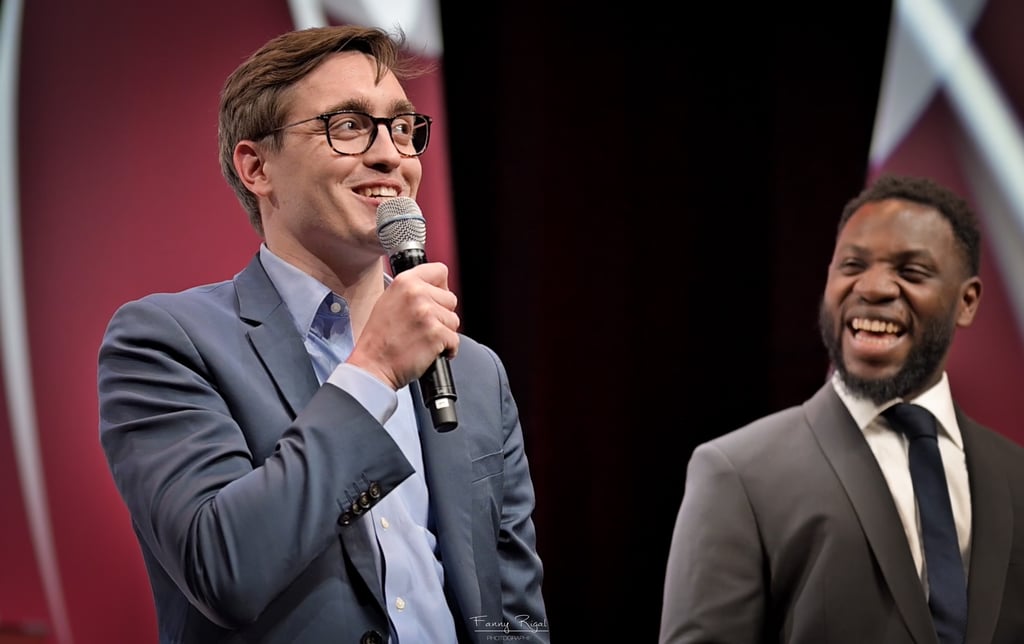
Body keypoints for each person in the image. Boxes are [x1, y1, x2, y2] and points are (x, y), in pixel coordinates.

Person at [97, 25, 548, 644]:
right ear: (257, 167)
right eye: (349, 125)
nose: (391, 154)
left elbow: (515, 611)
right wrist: (374, 373)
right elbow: (224, 566)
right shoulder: (166, 342)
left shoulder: (474, 371)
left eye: (402, 126)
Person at [658, 174, 1024, 643]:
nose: (871, 288)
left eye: (911, 272)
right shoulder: (738, 473)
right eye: (852, 265)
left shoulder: (1017, 479)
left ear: (966, 302)